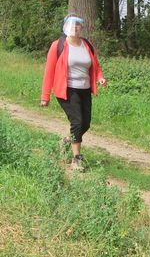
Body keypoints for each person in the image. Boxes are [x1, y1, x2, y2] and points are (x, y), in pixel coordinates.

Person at [40, 14, 107, 171]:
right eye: (72, 25)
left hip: (84, 89)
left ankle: (67, 141)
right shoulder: (58, 45)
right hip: (67, 89)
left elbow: (95, 66)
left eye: (78, 25)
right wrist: (45, 96)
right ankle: (76, 159)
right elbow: (49, 72)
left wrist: (100, 78)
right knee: (77, 121)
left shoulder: (87, 45)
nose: (75, 28)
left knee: (86, 123)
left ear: (81, 28)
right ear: (66, 27)